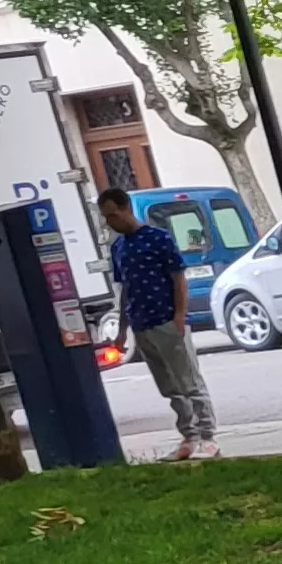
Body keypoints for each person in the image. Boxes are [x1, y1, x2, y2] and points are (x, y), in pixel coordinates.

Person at [97, 188, 212, 461]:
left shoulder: (158, 239)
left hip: (166, 318)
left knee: (188, 381)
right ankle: (189, 436)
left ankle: (208, 437)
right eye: (106, 217)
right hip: (141, 322)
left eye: (113, 215)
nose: (110, 222)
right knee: (169, 385)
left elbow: (177, 278)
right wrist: (123, 329)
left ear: (126, 208)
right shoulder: (119, 247)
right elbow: (125, 288)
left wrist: (179, 317)